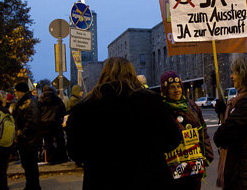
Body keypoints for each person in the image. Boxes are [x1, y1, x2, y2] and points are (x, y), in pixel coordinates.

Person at [66, 57, 182, 190]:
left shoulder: (83, 107)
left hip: (101, 181)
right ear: (132, 73)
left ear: (103, 74)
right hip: (149, 179)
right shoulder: (151, 101)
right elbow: (173, 139)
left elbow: (75, 152)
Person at [213, 55, 247, 190]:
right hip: (241, 170)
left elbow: (222, 135)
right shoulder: (240, 101)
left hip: (244, 173)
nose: (231, 76)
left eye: (234, 73)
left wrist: (222, 130)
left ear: (245, 75)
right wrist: (222, 111)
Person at [160, 71, 214, 190]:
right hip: (173, 167)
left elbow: (203, 130)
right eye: (172, 87)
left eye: (178, 86)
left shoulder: (192, 106)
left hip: (194, 165)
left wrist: (208, 154)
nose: (176, 90)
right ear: (165, 90)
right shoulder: (161, 108)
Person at [13, 82, 41, 190]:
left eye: (16, 91)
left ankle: (33, 186)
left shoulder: (30, 102)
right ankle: (31, 185)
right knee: (29, 165)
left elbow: (31, 122)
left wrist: (21, 133)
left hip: (29, 140)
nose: (15, 94)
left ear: (21, 91)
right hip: (28, 139)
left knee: (30, 165)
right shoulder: (26, 101)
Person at [38, 86, 68, 164]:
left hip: (44, 123)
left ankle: (50, 159)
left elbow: (38, 112)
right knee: (60, 140)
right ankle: (62, 158)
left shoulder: (40, 100)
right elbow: (63, 110)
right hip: (56, 122)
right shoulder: (57, 99)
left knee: (48, 142)